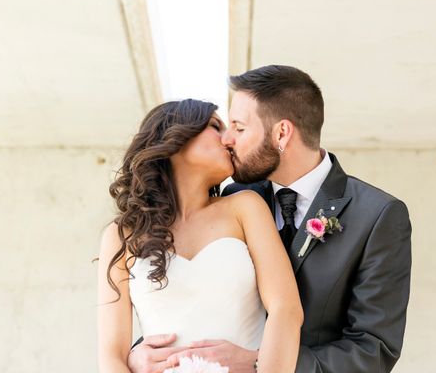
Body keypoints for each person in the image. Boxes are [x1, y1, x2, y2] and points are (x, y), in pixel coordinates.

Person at [128, 65, 413, 373]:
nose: (228, 139)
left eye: (238, 128)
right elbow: (202, 296)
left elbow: (373, 350)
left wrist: (259, 362)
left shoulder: (377, 215)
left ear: (281, 133)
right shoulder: (235, 197)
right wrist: (138, 354)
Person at [97, 99, 303, 373]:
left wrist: (260, 364)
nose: (229, 139)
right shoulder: (121, 235)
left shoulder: (246, 208)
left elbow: (286, 310)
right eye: (216, 126)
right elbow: (111, 356)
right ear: (174, 138)